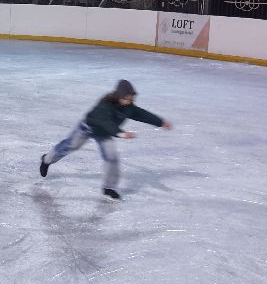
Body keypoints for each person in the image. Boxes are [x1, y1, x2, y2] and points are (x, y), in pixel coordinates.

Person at [38, 79, 172, 200]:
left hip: (104, 134)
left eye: (131, 99)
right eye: (126, 98)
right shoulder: (105, 105)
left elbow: (142, 114)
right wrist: (120, 133)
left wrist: (160, 122)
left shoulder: (128, 107)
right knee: (69, 146)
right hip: (87, 128)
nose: (129, 101)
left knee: (112, 157)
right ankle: (46, 159)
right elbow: (105, 122)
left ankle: (109, 187)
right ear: (119, 96)